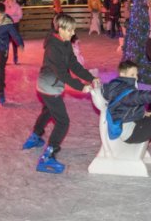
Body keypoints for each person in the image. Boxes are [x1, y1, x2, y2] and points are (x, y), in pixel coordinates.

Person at [21, 14, 99, 174]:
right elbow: (63, 74)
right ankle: (47, 157)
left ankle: (35, 136)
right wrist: (81, 86)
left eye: (74, 30)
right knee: (63, 122)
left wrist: (90, 78)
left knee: (48, 110)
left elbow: (74, 64)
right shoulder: (53, 48)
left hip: (50, 86)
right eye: (70, 30)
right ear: (61, 29)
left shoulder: (65, 43)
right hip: (48, 86)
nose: (73, 33)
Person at [4, 0, 23, 65]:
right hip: (6, 25)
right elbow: (2, 15)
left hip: (15, 25)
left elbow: (20, 15)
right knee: (6, 43)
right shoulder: (3, 5)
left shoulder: (17, 5)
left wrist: (12, 17)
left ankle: (15, 57)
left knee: (15, 42)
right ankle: (5, 58)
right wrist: (13, 15)